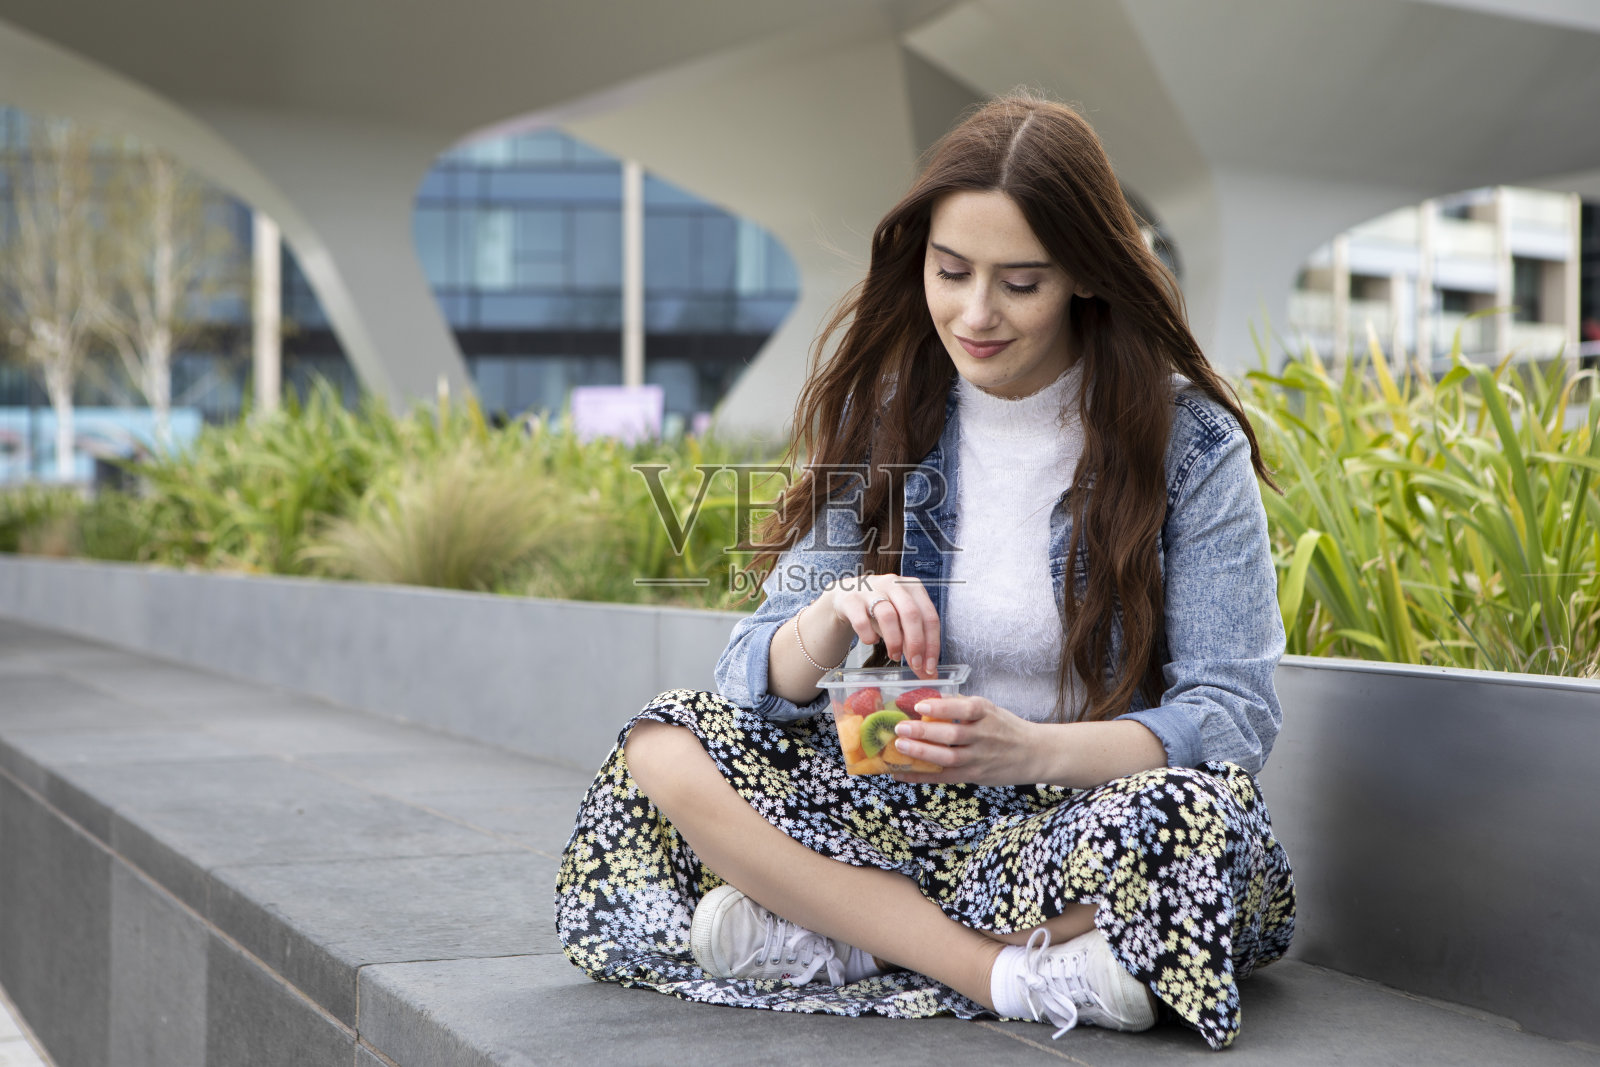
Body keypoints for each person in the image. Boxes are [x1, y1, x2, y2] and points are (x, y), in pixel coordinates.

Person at [555, 93, 1295, 1051]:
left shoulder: (1186, 443)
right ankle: (1007, 972)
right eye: (952, 272)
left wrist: (1028, 750)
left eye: (1020, 284)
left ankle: (847, 931)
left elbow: (1233, 715)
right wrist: (832, 613)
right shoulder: (888, 417)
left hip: (1076, 814)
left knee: (1197, 821)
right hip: (893, 805)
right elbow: (752, 675)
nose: (975, 313)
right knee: (663, 745)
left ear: (1084, 275)